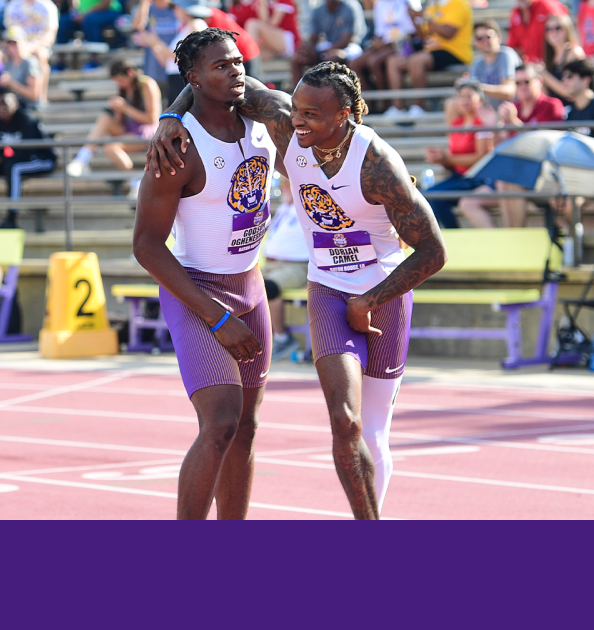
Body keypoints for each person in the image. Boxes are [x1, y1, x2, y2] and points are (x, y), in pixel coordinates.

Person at [145, 60, 448, 519]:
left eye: (312, 114)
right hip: (327, 289)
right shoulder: (289, 129)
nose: (297, 122)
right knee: (345, 421)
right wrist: (169, 118)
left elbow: (433, 251)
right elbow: (216, 87)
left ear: (344, 115)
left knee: (372, 432)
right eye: (297, 109)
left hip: (382, 291)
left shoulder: (378, 165)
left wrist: (372, 298)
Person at [132, 29, 275, 520]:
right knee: (220, 424)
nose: (235, 71)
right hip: (198, 291)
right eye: (220, 66)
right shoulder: (177, 149)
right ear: (192, 79)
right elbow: (146, 246)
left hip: (250, 286)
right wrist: (215, 317)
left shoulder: (265, 120)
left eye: (238, 62)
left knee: (247, 429)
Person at [65, 58, 161, 197]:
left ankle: (136, 183)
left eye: (120, 80)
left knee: (111, 147)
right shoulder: (123, 87)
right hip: (130, 128)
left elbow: (152, 119)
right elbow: (121, 119)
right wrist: (117, 111)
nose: (119, 84)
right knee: (104, 118)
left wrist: (125, 108)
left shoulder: (146, 84)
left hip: (148, 132)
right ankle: (83, 158)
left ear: (130, 73)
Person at [490, 64, 565, 228]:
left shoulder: (552, 105)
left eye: (527, 81)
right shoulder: (514, 108)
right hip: (520, 170)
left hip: (546, 172)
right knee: (502, 181)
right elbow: (500, 148)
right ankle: (512, 235)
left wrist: (515, 123)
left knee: (512, 181)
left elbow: (545, 143)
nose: (522, 87)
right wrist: (498, 126)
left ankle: (517, 236)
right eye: (518, 83)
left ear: (539, 81)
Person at [0, 88, 57, 228]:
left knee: (14, 168)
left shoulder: (26, 119)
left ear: (15, 103)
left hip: (42, 160)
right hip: (17, 160)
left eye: (4, 104)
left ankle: (11, 218)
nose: (1, 108)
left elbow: (29, 152)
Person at [422, 80, 496, 229]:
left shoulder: (481, 124)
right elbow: (453, 160)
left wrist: (447, 158)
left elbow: (481, 158)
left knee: (435, 196)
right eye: (461, 96)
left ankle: (451, 235)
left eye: (469, 96)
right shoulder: (457, 124)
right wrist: (440, 159)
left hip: (476, 178)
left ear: (480, 100)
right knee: (425, 196)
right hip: (460, 176)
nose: (464, 100)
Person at [386, 0, 473, 115]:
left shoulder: (459, 3)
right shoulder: (433, 6)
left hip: (456, 52)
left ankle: (419, 107)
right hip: (430, 52)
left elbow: (448, 33)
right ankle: (398, 108)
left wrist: (424, 17)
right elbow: (424, 37)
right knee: (393, 62)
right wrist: (413, 18)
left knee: (417, 60)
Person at [259, 176, 308, 361]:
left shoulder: (307, 207)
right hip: (272, 264)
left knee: (269, 287)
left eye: (288, 183)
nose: (284, 188)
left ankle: (282, 338)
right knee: (237, 282)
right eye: (283, 184)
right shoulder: (285, 208)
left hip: (297, 266)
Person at [348, 0, 421, 98]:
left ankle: (384, 103)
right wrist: (378, 42)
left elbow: (413, 32)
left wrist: (387, 43)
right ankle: (366, 104)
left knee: (374, 61)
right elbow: (380, 32)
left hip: (403, 44)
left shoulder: (409, 2)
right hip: (384, 44)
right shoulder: (380, 4)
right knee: (354, 64)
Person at [291, 0, 366, 85]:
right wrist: (308, 50)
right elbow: (313, 38)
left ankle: (331, 95)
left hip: (353, 46)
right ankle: (299, 96)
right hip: (329, 45)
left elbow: (346, 41)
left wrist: (320, 52)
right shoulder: (318, 10)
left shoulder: (350, 6)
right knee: (297, 59)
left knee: (332, 58)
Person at [4, 0, 59, 102]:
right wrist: (19, 45)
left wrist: (31, 46)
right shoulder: (13, 6)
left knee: (40, 54)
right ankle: (2, 97)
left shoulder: (48, 6)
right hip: (15, 42)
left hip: (39, 45)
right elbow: (10, 32)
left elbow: (50, 36)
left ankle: (41, 98)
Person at [465, 19, 521, 110]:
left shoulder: (506, 55)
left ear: (499, 37)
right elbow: (473, 92)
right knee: (453, 104)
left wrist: (478, 87)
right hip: (490, 111)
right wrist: (464, 86)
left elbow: (509, 91)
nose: (484, 41)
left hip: (512, 110)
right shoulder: (477, 62)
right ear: (475, 42)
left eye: (488, 36)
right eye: (479, 38)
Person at [130, 0, 180, 97]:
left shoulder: (177, 8)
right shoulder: (148, 8)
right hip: (153, 67)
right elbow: (137, 26)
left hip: (175, 67)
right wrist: (144, 3)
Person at [561, 57, 594, 145]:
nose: (564, 81)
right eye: (563, 77)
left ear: (586, 80)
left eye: (570, 76)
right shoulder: (572, 112)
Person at [541, 12, 586, 103]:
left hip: (573, 107)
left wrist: (544, 74)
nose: (553, 32)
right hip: (555, 108)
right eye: (549, 29)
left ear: (567, 29)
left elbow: (570, 92)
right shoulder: (549, 56)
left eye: (558, 28)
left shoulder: (574, 52)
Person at [232, 0, 300, 60]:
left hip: (289, 41)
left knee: (252, 24)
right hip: (273, 44)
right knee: (253, 55)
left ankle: (247, 53)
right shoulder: (267, 3)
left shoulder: (283, 0)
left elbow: (272, 24)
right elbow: (264, 20)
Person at [0, 26, 42, 108]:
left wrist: (11, 83)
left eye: (15, 43)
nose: (12, 47)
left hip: (29, 108)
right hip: (14, 108)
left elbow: (34, 95)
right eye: (9, 43)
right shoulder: (8, 64)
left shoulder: (30, 63)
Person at [56, 0, 122, 45]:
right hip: (85, 14)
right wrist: (75, 12)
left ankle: (95, 59)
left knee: (89, 21)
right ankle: (61, 61)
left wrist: (84, 14)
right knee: (63, 22)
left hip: (110, 11)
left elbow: (106, 3)